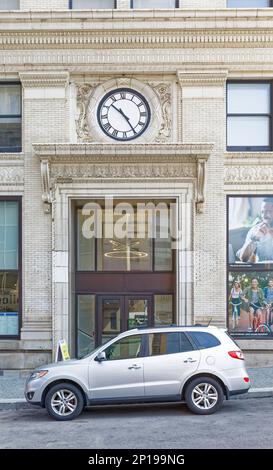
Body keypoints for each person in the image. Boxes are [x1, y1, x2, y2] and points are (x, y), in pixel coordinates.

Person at [237, 198, 273, 263]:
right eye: (262, 212)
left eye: (269, 211)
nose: (264, 215)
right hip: (261, 271)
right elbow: (243, 258)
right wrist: (253, 239)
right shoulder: (255, 230)